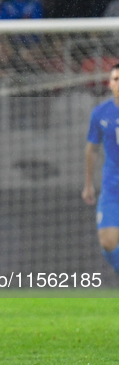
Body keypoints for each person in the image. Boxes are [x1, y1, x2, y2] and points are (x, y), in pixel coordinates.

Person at [83, 64, 119, 275]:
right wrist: (88, 184)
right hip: (112, 187)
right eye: (115, 78)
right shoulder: (100, 113)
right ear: (109, 83)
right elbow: (91, 149)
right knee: (107, 241)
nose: (118, 83)